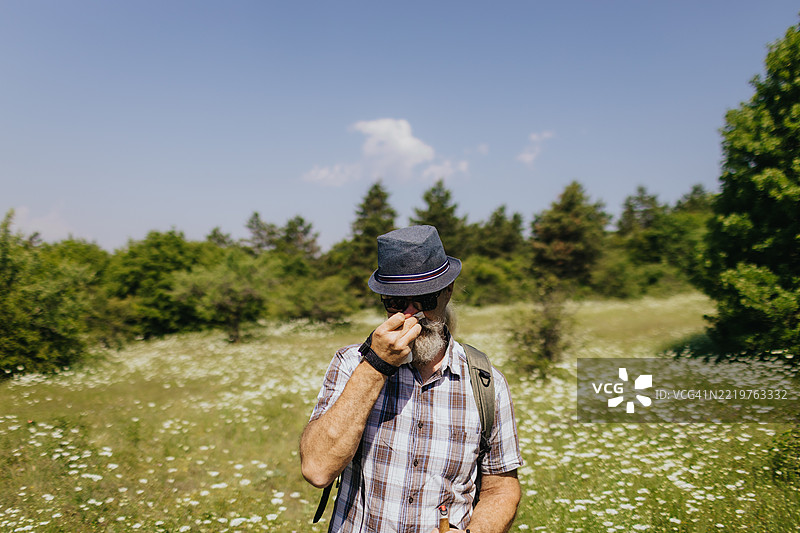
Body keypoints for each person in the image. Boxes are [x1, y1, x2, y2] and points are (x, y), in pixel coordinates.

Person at [300, 225, 523, 532]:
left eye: (424, 300)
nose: (410, 315)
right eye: (395, 301)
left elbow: (502, 488)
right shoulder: (352, 363)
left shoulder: (486, 383)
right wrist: (377, 366)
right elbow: (317, 469)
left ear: (449, 290)